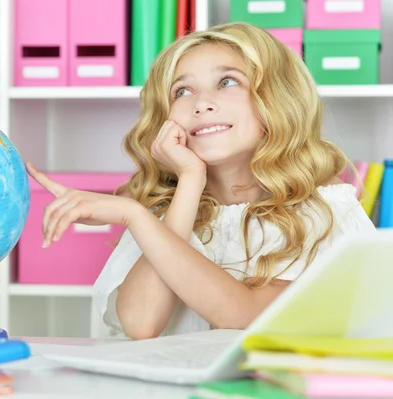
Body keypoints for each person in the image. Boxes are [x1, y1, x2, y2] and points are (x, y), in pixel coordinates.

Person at [25, 22, 375, 340]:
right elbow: (141, 323)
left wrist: (134, 215)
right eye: (182, 91)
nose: (202, 103)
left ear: (276, 100)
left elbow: (245, 317)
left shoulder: (325, 211)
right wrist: (189, 181)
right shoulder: (171, 212)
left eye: (227, 82)